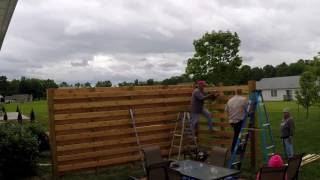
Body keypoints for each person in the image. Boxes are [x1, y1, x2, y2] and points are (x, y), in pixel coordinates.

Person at [225, 89, 248, 154]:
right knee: (237, 134)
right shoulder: (243, 99)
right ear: (241, 92)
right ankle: (234, 150)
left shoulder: (230, 100)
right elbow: (247, 109)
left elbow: (226, 110)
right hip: (239, 120)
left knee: (237, 134)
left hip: (232, 120)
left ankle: (239, 148)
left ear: (235, 93)